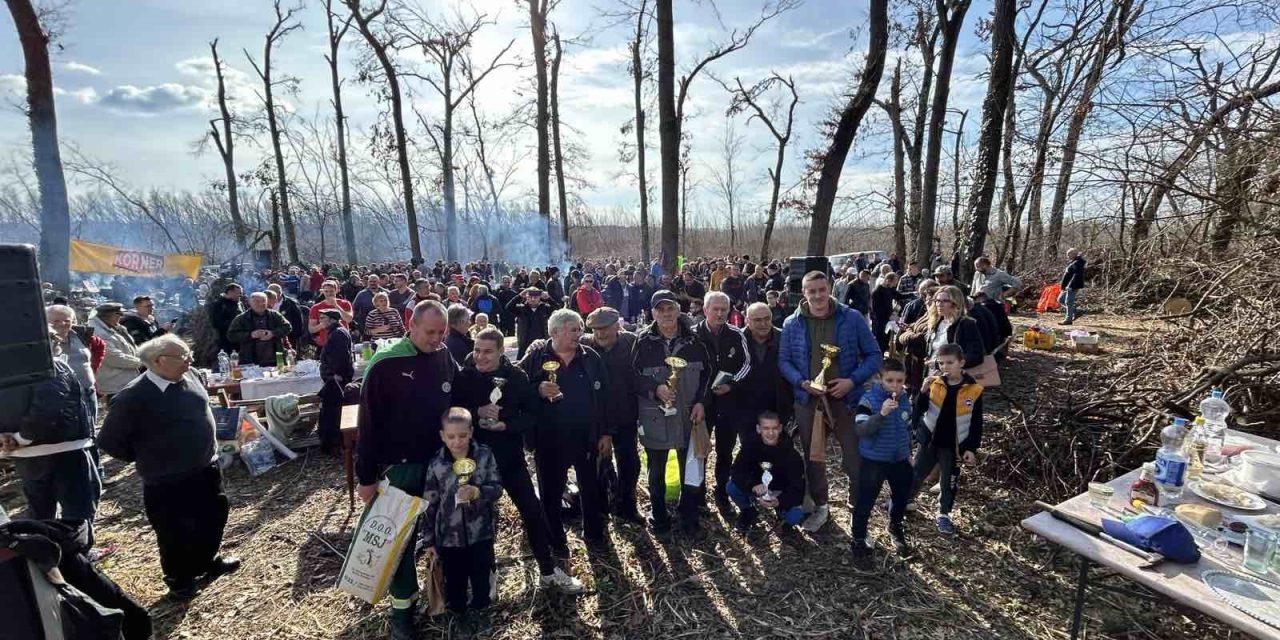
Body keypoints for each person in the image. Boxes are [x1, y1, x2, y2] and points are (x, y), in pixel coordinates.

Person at [97, 335, 239, 598]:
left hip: (206, 467)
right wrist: (153, 457)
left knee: (213, 515)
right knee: (174, 529)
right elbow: (111, 442)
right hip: (166, 478)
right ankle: (180, 579)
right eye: (183, 356)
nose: (191, 360)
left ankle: (206, 561)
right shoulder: (133, 397)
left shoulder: (192, 375)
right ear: (158, 361)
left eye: (189, 354)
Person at [355, 300, 458, 637]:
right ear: (409, 325)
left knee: (441, 533)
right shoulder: (386, 363)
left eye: (442, 332)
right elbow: (367, 424)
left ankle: (442, 594)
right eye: (430, 332)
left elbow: (460, 392)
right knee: (398, 541)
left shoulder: (444, 355)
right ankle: (402, 610)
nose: (437, 339)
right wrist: (366, 477)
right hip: (400, 468)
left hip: (439, 464)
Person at [454, 328, 583, 592]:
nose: (481, 356)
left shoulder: (516, 377)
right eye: (477, 350)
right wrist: (475, 412)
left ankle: (547, 571)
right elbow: (451, 412)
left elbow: (532, 415)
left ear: (502, 351)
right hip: (476, 460)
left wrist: (507, 425)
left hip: (510, 457)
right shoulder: (464, 377)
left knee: (533, 512)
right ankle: (485, 576)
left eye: (488, 351)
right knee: (481, 519)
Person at [778, 271, 882, 533]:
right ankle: (821, 505)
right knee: (814, 458)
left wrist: (852, 381)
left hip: (846, 400)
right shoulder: (793, 323)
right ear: (804, 293)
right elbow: (784, 361)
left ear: (829, 289)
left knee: (854, 454)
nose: (817, 296)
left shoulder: (852, 318)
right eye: (811, 291)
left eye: (821, 289)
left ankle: (856, 501)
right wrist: (801, 382)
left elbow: (873, 355)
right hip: (808, 401)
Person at [519, 309, 614, 554]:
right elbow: (516, 391)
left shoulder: (590, 357)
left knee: (590, 487)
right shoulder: (535, 357)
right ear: (554, 332)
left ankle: (594, 534)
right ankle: (556, 540)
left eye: (579, 328)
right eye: (573, 329)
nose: (578, 333)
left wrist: (605, 433)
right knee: (550, 493)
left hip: (586, 437)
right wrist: (537, 390)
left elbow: (604, 398)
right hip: (548, 439)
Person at [0, 335, 101, 543]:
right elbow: (49, 408)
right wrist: (23, 437)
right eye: (53, 339)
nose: (58, 342)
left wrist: (7, 437)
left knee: (41, 509)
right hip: (64, 449)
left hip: (25, 454)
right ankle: (78, 557)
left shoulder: (7, 369)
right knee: (77, 509)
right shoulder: (52, 367)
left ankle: (46, 555)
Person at [632, 290, 710, 535]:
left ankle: (690, 518)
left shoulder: (695, 340)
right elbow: (632, 376)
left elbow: (708, 373)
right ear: (652, 313)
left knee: (691, 468)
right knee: (656, 470)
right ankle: (659, 518)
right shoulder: (642, 341)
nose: (666, 314)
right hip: (654, 416)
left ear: (678, 310)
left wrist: (701, 402)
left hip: (689, 415)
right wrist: (656, 389)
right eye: (660, 309)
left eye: (670, 308)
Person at [421, 408, 503, 626]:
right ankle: (458, 616)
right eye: (451, 436)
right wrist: (428, 539)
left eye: (463, 436)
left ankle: (482, 611)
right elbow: (429, 504)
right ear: (442, 435)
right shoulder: (436, 464)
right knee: (454, 579)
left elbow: (497, 488)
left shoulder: (484, 455)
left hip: (481, 532)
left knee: (481, 575)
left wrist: (478, 492)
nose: (457, 442)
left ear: (471, 432)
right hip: (448, 537)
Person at [910, 343, 984, 535]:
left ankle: (943, 514)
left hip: (954, 446)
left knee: (948, 481)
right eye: (941, 363)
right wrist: (922, 393)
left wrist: (971, 448)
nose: (945, 367)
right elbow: (919, 409)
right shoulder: (935, 383)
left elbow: (976, 422)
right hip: (930, 440)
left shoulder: (974, 390)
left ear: (962, 362)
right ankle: (904, 500)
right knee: (916, 472)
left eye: (950, 362)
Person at [580, 307, 642, 522]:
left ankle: (628, 504)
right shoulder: (584, 346)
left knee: (630, 463)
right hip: (596, 418)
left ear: (618, 325)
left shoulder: (631, 343)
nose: (600, 334)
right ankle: (601, 507)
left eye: (605, 328)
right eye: (596, 330)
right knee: (598, 464)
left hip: (625, 415)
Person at [850, 358, 913, 558]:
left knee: (902, 496)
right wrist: (882, 414)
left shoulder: (905, 400)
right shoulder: (868, 400)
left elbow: (908, 428)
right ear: (880, 379)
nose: (895, 385)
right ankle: (858, 537)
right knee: (866, 500)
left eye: (899, 381)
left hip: (900, 459)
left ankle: (895, 527)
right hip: (874, 460)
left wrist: (909, 453)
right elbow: (861, 429)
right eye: (890, 380)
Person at [693, 292, 752, 507]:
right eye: (715, 309)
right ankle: (697, 494)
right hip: (702, 405)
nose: (719, 313)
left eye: (723, 309)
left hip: (729, 403)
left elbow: (746, 365)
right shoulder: (693, 335)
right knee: (700, 451)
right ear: (705, 309)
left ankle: (721, 491)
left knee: (725, 451)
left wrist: (732, 384)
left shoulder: (737, 334)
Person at [727, 411, 805, 531]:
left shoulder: (791, 454)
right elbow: (737, 471)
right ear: (759, 429)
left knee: (796, 514)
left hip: (780, 492)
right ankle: (748, 510)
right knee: (731, 487)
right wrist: (752, 486)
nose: (770, 433)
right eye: (766, 428)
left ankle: (783, 519)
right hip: (758, 488)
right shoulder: (750, 446)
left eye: (774, 428)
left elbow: (798, 487)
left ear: (780, 428)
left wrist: (780, 500)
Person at [316, 310, 353, 455]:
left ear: (332, 320)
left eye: (323, 318)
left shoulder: (338, 334)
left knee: (334, 413)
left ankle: (336, 445)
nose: (321, 321)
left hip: (337, 380)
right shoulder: (336, 332)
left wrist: (334, 374)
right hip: (334, 378)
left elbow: (341, 357)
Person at [921, 286, 985, 369]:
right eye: (938, 300)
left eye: (945, 301)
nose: (940, 304)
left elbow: (976, 356)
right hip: (932, 374)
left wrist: (941, 364)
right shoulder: (935, 322)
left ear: (955, 303)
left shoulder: (966, 324)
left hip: (953, 378)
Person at [88, 303, 142, 400]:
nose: (121, 317)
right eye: (118, 314)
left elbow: (130, 346)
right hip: (114, 385)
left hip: (125, 382)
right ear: (107, 315)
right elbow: (114, 358)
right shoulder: (98, 332)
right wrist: (142, 362)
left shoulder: (115, 327)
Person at [227, 292, 292, 367]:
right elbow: (231, 335)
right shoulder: (242, 318)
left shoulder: (274, 315)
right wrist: (250, 335)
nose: (261, 304)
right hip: (250, 359)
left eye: (263, 301)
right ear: (250, 303)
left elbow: (287, 327)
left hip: (275, 358)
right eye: (257, 301)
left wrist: (273, 333)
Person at [870, 273, 911, 355]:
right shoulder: (877, 292)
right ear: (888, 280)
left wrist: (912, 294)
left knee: (886, 340)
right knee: (879, 340)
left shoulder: (890, 289)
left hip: (888, 319)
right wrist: (889, 316)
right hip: (879, 320)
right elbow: (876, 310)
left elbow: (898, 296)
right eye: (894, 283)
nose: (895, 285)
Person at [507, 288, 553, 358]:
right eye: (530, 297)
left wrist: (548, 298)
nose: (533, 299)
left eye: (535, 297)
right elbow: (508, 307)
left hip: (541, 341)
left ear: (539, 298)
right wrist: (519, 296)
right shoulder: (521, 309)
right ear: (526, 298)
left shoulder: (544, 308)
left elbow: (557, 308)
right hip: (525, 342)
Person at [308, 280, 354, 348]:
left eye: (331, 291)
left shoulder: (345, 304)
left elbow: (349, 319)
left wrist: (336, 305)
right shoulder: (316, 307)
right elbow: (311, 329)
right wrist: (322, 325)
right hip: (325, 343)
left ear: (336, 291)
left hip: (343, 341)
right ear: (323, 292)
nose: (329, 294)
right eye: (326, 291)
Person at [265, 286, 308, 351]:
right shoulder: (264, 304)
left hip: (289, 337)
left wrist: (295, 336)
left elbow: (298, 321)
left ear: (280, 293)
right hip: (269, 339)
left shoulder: (291, 303)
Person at [208, 284, 244, 355]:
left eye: (240, 293)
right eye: (238, 293)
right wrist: (234, 323)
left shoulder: (239, 303)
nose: (240, 295)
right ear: (230, 292)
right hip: (225, 338)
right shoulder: (219, 304)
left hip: (239, 337)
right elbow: (216, 323)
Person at [1059, 248, 1086, 325]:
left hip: (1073, 285)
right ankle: (1076, 311)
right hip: (1067, 286)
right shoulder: (1073, 262)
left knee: (1068, 301)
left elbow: (1077, 275)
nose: (1067, 256)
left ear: (1074, 254)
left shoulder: (1078, 262)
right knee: (1060, 299)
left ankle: (1068, 320)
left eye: (1068, 254)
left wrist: (1071, 285)